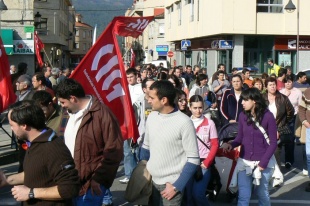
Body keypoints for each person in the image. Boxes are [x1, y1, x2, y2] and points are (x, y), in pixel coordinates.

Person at [55, 78, 123, 206]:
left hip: (90, 185)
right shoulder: (67, 113)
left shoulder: (103, 114)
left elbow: (114, 150)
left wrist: (99, 179)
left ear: (73, 98)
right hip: (70, 181)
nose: (62, 106)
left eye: (63, 102)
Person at [0, 100, 80, 205]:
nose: (11, 128)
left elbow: (70, 188)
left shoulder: (53, 148)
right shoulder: (33, 143)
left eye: (12, 125)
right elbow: (37, 173)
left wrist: (31, 193)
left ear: (24, 125)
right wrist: (7, 180)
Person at [140, 80, 200, 205]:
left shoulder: (184, 122)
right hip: (151, 183)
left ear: (164, 100)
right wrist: (144, 174)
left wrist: (176, 186)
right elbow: (146, 148)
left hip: (170, 187)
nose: (148, 100)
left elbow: (193, 159)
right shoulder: (151, 117)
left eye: (151, 98)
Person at [222, 88, 277, 206]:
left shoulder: (268, 116)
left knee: (263, 194)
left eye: (245, 100)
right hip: (244, 161)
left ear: (255, 101)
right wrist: (230, 144)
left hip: (263, 162)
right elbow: (239, 138)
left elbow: (273, 143)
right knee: (243, 196)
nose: (242, 102)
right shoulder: (242, 115)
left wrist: (263, 162)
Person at [184, 95, 218, 206]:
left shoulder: (210, 123)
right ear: (190, 108)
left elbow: (214, 145)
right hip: (188, 163)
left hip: (203, 163)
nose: (198, 110)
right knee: (188, 197)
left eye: (200, 107)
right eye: (195, 108)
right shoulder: (185, 122)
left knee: (198, 194)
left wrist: (207, 162)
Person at [262, 77, 294, 168]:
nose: (272, 87)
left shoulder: (283, 98)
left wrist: (283, 123)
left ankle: (277, 177)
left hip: (278, 129)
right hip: (264, 129)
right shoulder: (261, 98)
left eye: (274, 85)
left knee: (276, 152)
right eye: (270, 85)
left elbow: (290, 112)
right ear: (266, 87)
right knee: (263, 153)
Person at [297, 88, 310, 186]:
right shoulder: (307, 92)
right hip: (309, 128)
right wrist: (305, 122)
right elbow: (301, 108)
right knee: (309, 156)